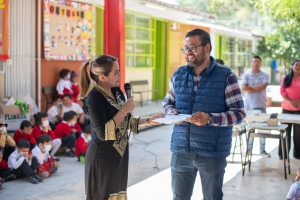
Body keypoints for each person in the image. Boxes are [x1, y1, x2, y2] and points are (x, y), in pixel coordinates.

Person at [162, 29, 245, 200]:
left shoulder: (226, 76)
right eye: (185, 48)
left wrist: (211, 118)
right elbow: (168, 102)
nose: (188, 52)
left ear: (207, 48)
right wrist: (171, 112)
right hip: (181, 150)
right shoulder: (178, 75)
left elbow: (239, 113)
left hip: (212, 153)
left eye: (192, 47)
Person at [79, 55, 162, 200]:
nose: (120, 75)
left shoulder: (117, 91)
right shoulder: (95, 98)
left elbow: (125, 122)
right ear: (102, 77)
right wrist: (124, 109)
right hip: (102, 159)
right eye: (116, 72)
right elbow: (104, 133)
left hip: (119, 156)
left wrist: (150, 120)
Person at [241, 55, 271, 157]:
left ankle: (262, 150)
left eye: (258, 62)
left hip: (261, 105)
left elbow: (263, 87)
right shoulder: (246, 75)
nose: (255, 64)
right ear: (251, 63)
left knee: (262, 128)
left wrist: (250, 88)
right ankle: (249, 150)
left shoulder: (265, 75)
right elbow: (244, 88)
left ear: (260, 64)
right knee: (250, 128)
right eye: (254, 62)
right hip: (249, 106)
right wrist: (255, 88)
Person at [279, 59, 300, 159]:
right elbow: (282, 93)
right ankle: (283, 154)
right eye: (296, 65)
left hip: (299, 110)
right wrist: (291, 102)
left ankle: (298, 154)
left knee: (298, 134)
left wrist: (297, 101)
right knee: (285, 131)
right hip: (286, 109)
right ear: (292, 66)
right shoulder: (285, 78)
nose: (298, 67)